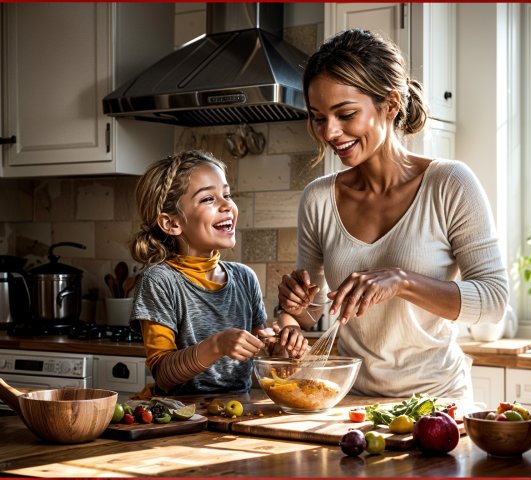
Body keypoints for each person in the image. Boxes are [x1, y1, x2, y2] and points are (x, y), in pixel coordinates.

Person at [277, 29, 509, 401]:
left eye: (346, 114)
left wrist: (401, 281)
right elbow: (313, 313)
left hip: (437, 402)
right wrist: (296, 307)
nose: (330, 132)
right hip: (349, 399)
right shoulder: (318, 199)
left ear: (390, 105)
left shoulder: (449, 184)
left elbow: (494, 300)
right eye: (318, 117)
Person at [130, 150, 308, 396]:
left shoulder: (245, 278)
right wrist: (217, 345)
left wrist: (282, 352)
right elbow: (164, 375)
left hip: (237, 411)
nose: (227, 205)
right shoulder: (160, 280)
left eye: (226, 194)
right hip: (179, 416)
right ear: (172, 223)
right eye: (208, 199)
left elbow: (264, 358)